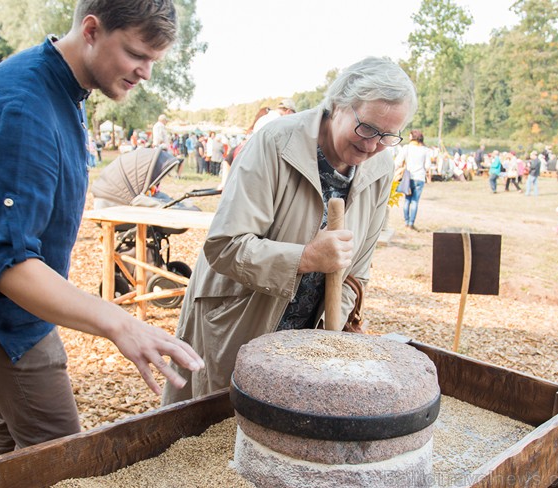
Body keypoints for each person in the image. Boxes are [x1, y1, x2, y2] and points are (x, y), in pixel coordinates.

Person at [0, 0, 204, 457]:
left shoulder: (68, 88)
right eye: (137, 54)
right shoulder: (22, 107)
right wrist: (119, 322)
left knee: (16, 444)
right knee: (62, 461)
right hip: (2, 315)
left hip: (28, 309)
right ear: (91, 30)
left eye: (153, 60)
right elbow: (7, 264)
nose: (146, 73)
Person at [162, 56, 417, 405]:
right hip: (241, 318)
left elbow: (358, 270)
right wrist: (306, 257)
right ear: (338, 104)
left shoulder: (381, 166)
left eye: (387, 136)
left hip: (306, 339)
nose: (372, 145)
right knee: (219, 427)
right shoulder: (275, 142)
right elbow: (224, 246)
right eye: (367, 129)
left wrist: (332, 336)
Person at [394, 129, 432, 230]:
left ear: (413, 137)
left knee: (407, 200)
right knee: (415, 201)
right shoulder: (425, 150)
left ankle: (406, 222)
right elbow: (428, 165)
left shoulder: (406, 148)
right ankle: (411, 223)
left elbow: (398, 162)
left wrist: (394, 172)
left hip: (408, 177)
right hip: (419, 178)